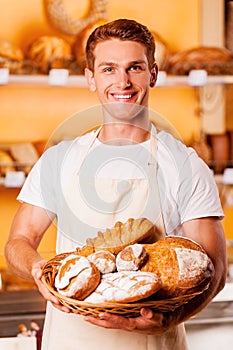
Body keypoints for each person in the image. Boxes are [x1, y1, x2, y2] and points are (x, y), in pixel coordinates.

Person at [5, 18, 227, 350]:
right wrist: (37, 269)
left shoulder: (185, 164)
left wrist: (171, 318)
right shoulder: (59, 159)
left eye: (134, 68)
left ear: (152, 74)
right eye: (108, 69)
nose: (122, 81)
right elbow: (18, 241)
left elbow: (216, 269)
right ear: (90, 78)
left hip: (154, 341)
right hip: (70, 340)